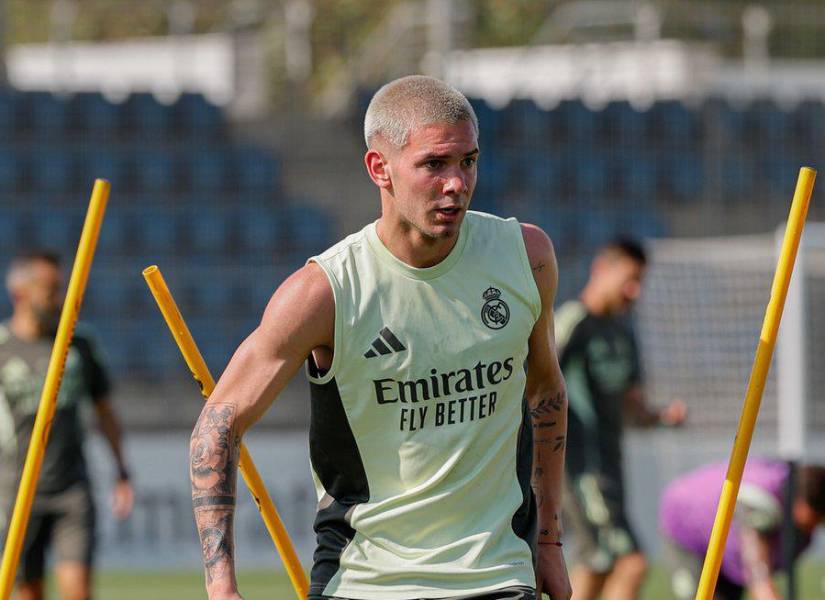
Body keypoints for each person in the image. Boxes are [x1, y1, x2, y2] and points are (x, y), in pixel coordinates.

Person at [189, 75, 572, 600]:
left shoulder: (526, 256)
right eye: (434, 164)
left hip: (497, 575)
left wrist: (548, 540)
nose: (456, 183)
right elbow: (217, 425)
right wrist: (221, 586)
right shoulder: (325, 292)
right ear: (379, 168)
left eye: (468, 161)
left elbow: (545, 392)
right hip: (363, 581)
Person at [555, 238, 686, 600]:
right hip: (579, 467)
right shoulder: (572, 323)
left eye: (640, 281)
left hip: (610, 467)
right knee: (628, 562)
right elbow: (532, 384)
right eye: (630, 280)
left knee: (597, 565)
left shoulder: (624, 332)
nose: (635, 291)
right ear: (601, 269)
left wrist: (660, 416)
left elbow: (632, 406)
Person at [0, 250, 133, 600]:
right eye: (50, 290)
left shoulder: (79, 342)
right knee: (28, 592)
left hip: (72, 489)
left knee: (77, 591)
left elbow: (105, 412)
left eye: (61, 288)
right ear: (19, 293)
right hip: (16, 491)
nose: (60, 298)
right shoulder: (2, 347)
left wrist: (122, 470)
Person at [659, 458, 825, 600]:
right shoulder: (758, 501)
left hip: (727, 545)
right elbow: (759, 579)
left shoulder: (793, 485)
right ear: (802, 506)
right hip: (685, 526)